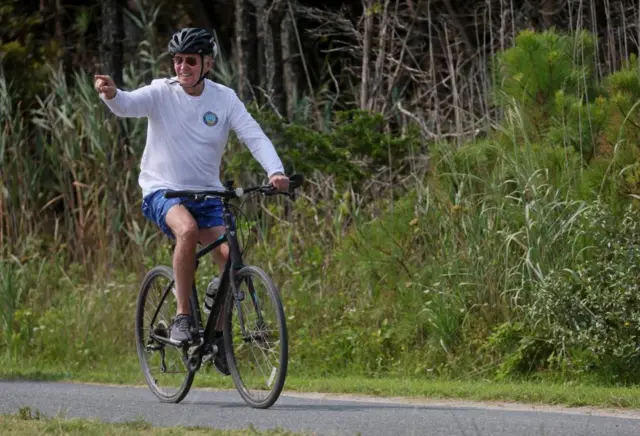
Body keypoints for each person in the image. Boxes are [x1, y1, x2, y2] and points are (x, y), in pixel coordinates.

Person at [94, 27, 289, 374]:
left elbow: (254, 136)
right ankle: (183, 315)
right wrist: (111, 94)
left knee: (231, 260)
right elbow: (126, 104)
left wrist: (275, 171)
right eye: (178, 60)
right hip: (163, 191)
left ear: (207, 64)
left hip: (207, 193)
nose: (182, 66)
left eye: (190, 61)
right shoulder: (161, 92)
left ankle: (216, 338)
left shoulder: (224, 98)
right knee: (186, 231)